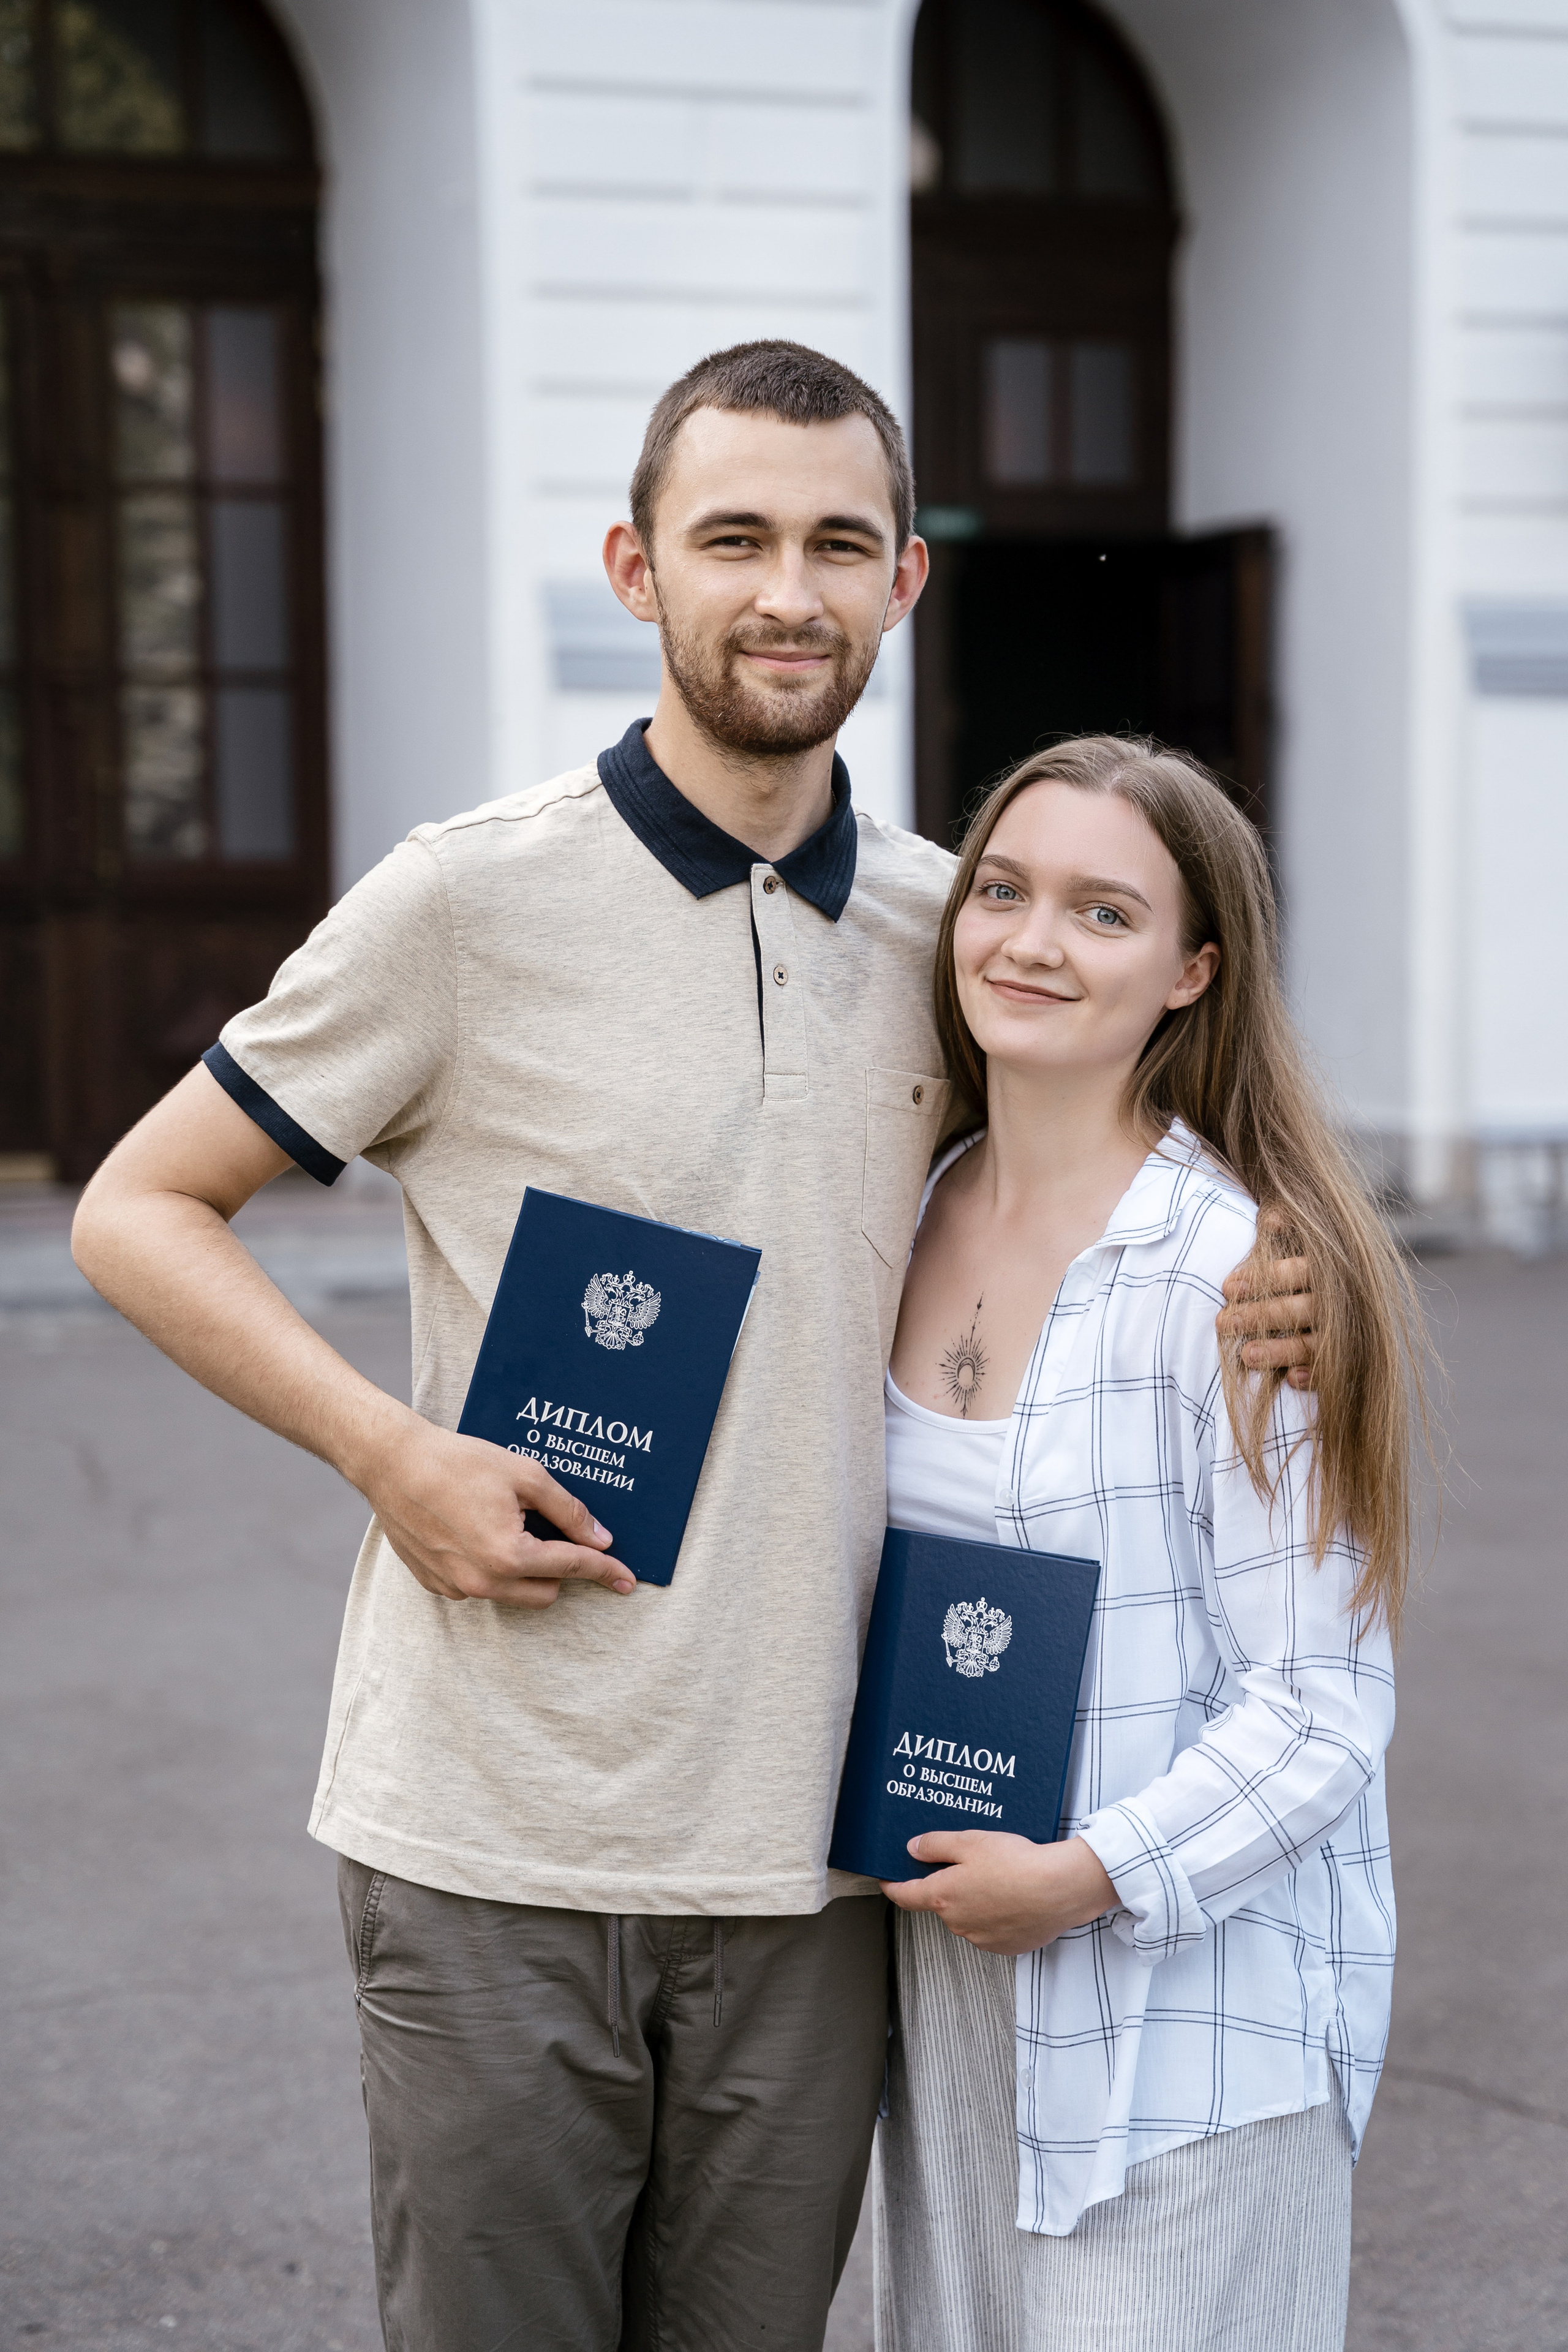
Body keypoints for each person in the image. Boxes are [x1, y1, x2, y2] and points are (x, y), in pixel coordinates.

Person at [69, 343, 1314, 2352]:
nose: (787, 592)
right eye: (733, 538)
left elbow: (1134, 1168)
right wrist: (393, 1455)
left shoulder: (955, 936)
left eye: (837, 544)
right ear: (637, 569)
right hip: (493, 1840)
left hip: (815, 1870)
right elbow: (137, 1208)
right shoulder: (463, 901)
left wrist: (1292, 1271)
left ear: (905, 579)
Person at [875, 735, 1423, 2352]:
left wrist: (1088, 1877)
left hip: (1186, 2021)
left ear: (1194, 971)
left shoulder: (1240, 1281)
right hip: (946, 1986)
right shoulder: (898, 1209)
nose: (1033, 942)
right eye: (1002, 890)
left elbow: (1322, 1709)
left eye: (1103, 913)